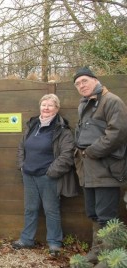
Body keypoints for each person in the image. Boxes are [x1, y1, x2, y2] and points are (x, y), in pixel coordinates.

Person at [73, 67, 127, 264]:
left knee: (107, 217)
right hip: (87, 169)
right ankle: (97, 252)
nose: (81, 85)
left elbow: (118, 132)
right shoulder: (84, 104)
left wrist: (92, 151)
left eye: (84, 81)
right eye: (77, 84)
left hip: (106, 168)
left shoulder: (112, 101)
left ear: (96, 80)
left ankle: (110, 258)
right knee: (94, 213)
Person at [12, 94, 76, 257]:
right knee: (30, 209)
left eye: (50, 105)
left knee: (51, 210)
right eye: (43, 105)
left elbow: (67, 155)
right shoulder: (32, 125)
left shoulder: (62, 129)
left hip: (48, 177)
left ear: (57, 108)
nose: (46, 108)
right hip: (29, 175)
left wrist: (51, 172)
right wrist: (22, 166)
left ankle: (54, 243)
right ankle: (27, 240)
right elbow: (21, 147)